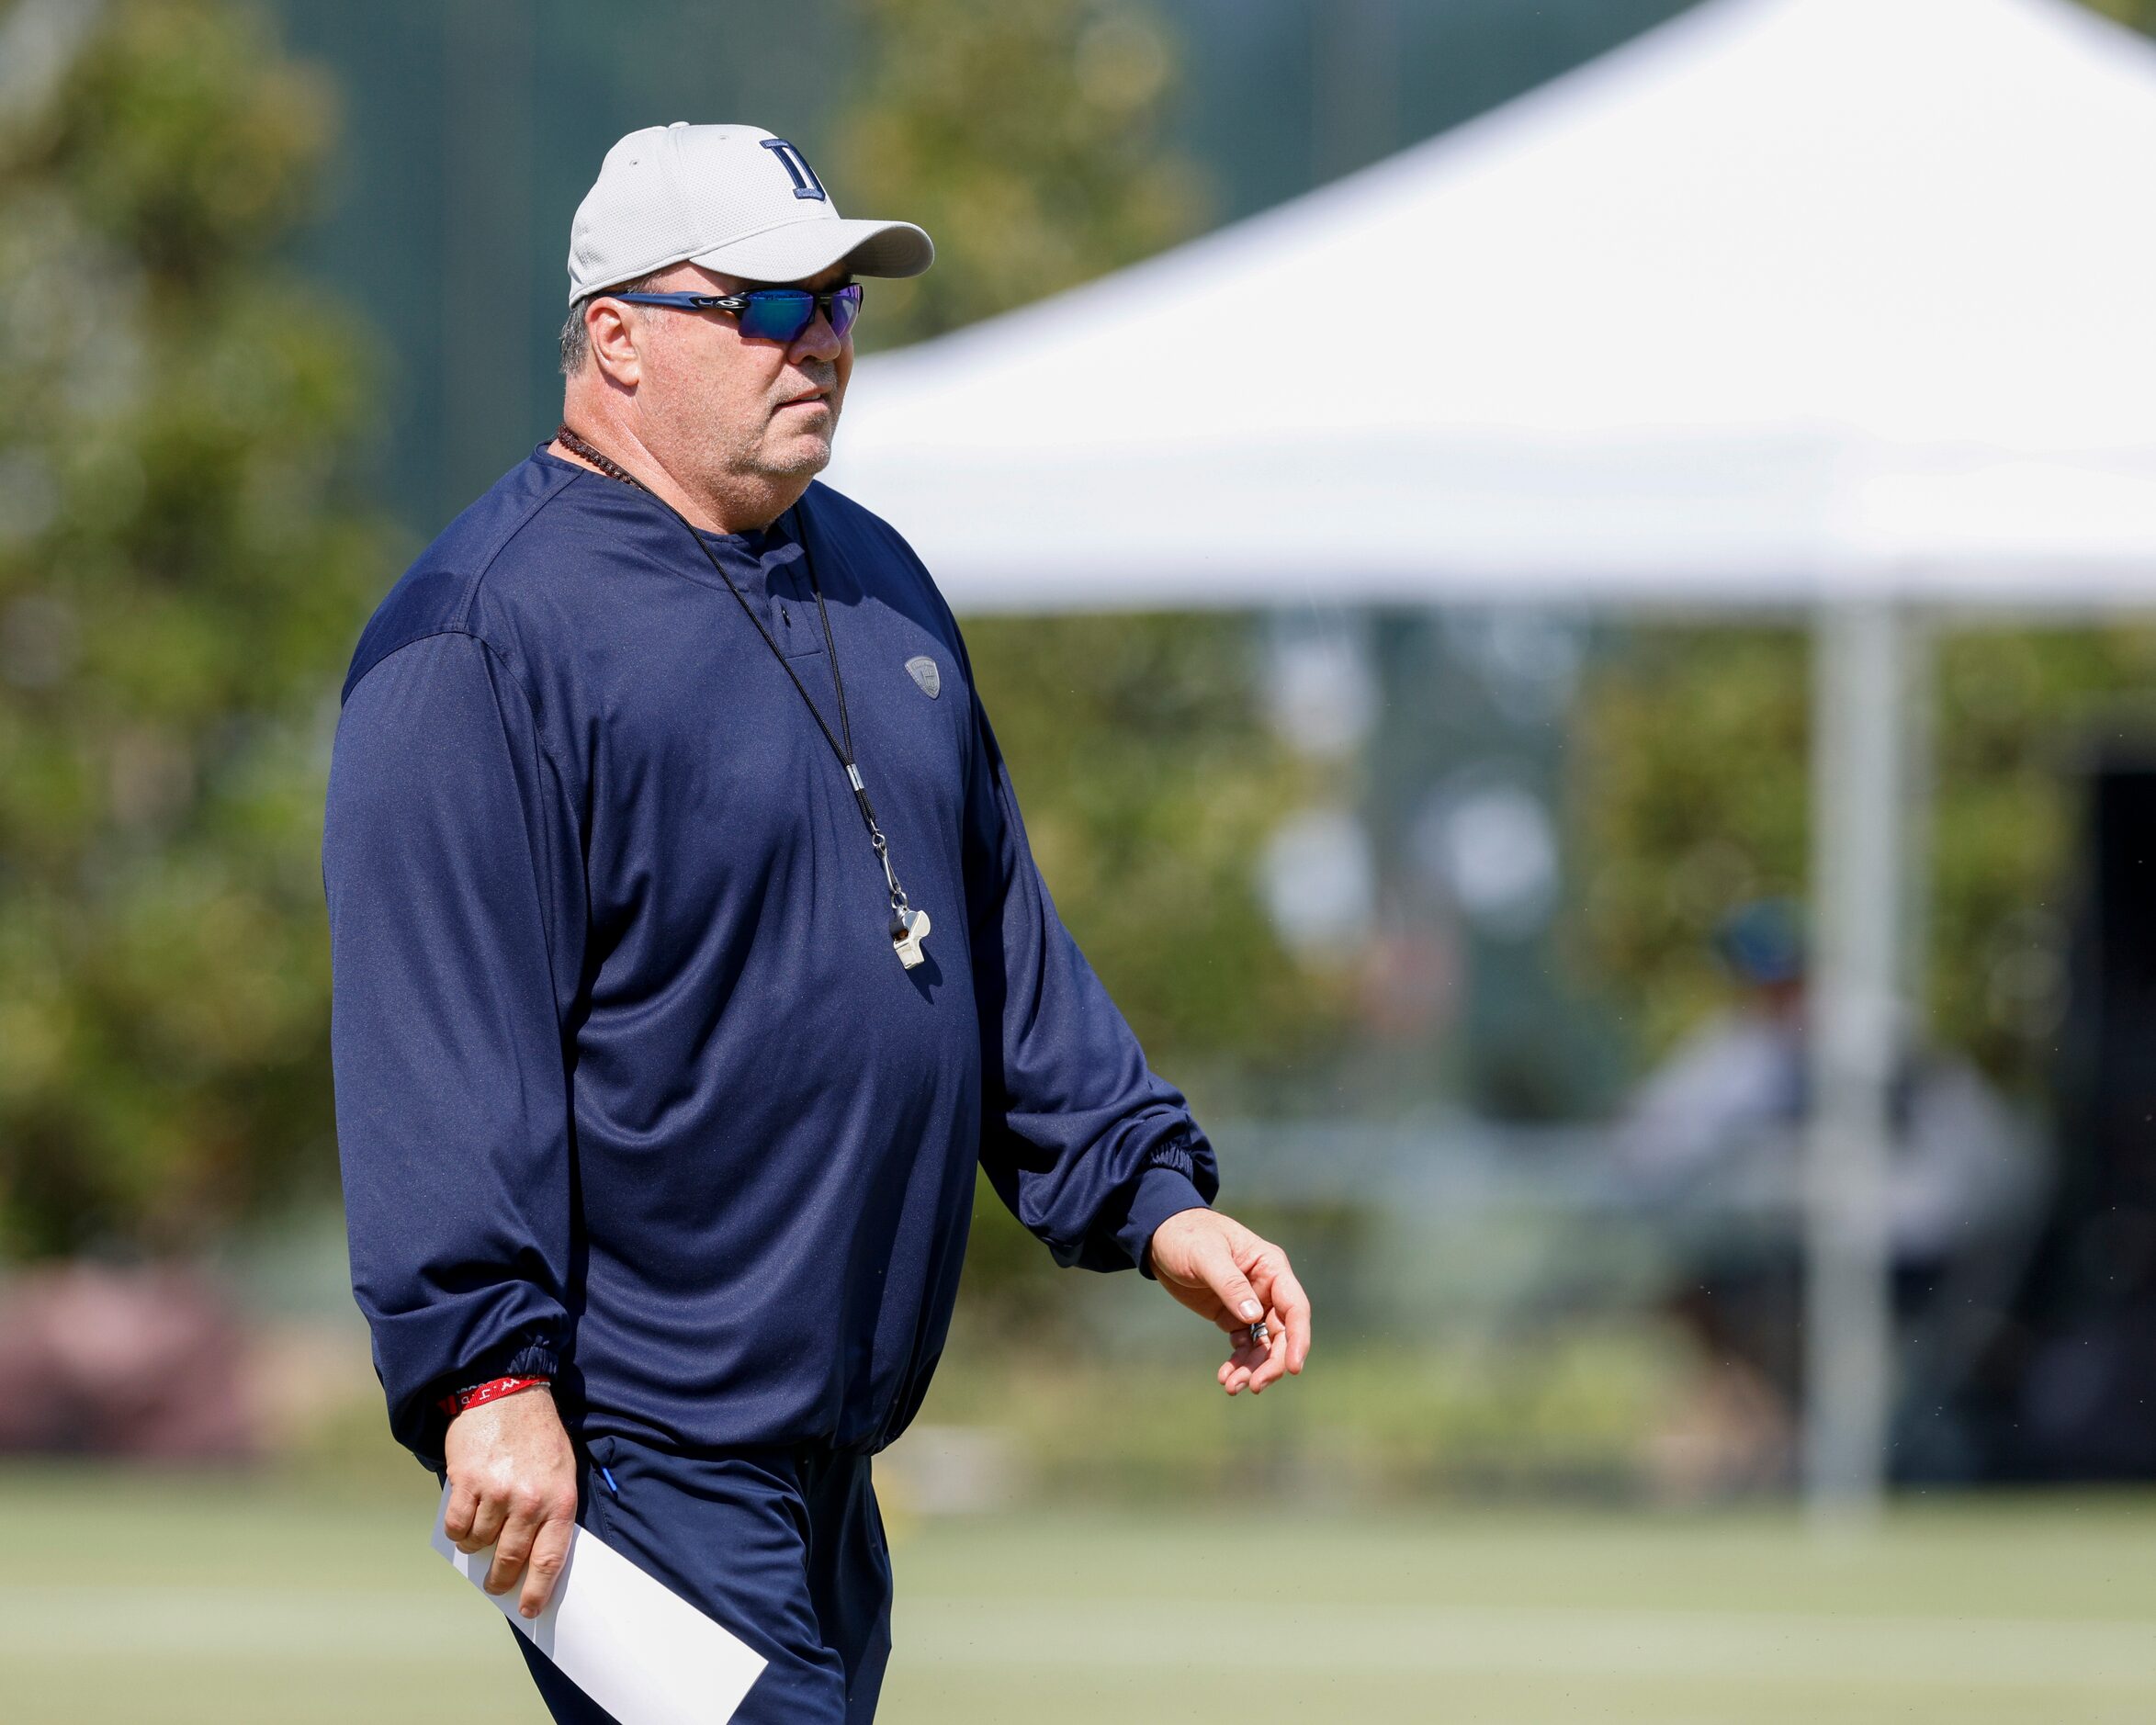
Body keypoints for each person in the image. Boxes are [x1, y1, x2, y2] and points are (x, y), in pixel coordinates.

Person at [322, 122, 1312, 1724]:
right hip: (635, 1449)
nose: (825, 342)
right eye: (770, 306)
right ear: (618, 339)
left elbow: (993, 944)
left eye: (842, 303)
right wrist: (486, 1379)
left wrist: (1152, 1197)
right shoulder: (479, 638)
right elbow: (439, 1053)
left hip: (829, 1462)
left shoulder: (880, 583)